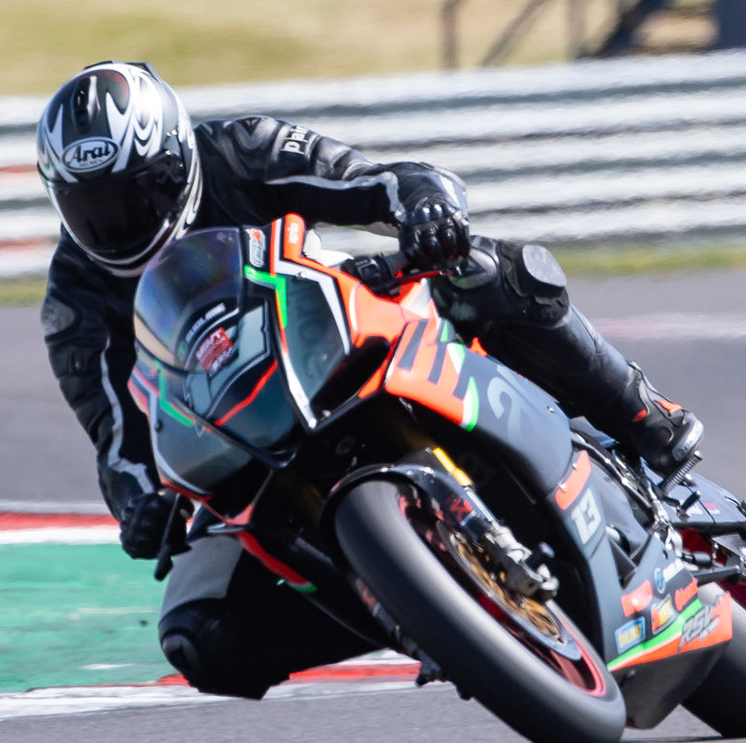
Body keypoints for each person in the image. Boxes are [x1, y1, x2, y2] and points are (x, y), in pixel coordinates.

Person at [37, 61, 702, 699]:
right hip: (242, 438)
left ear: (179, 159)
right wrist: (139, 505)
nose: (122, 220)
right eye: (92, 206)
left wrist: (426, 207)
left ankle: (642, 414)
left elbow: (379, 180)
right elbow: (117, 441)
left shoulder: (242, 150)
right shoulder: (74, 303)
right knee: (198, 637)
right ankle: (426, 613)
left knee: (483, 272)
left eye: (142, 190)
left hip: (335, 327)